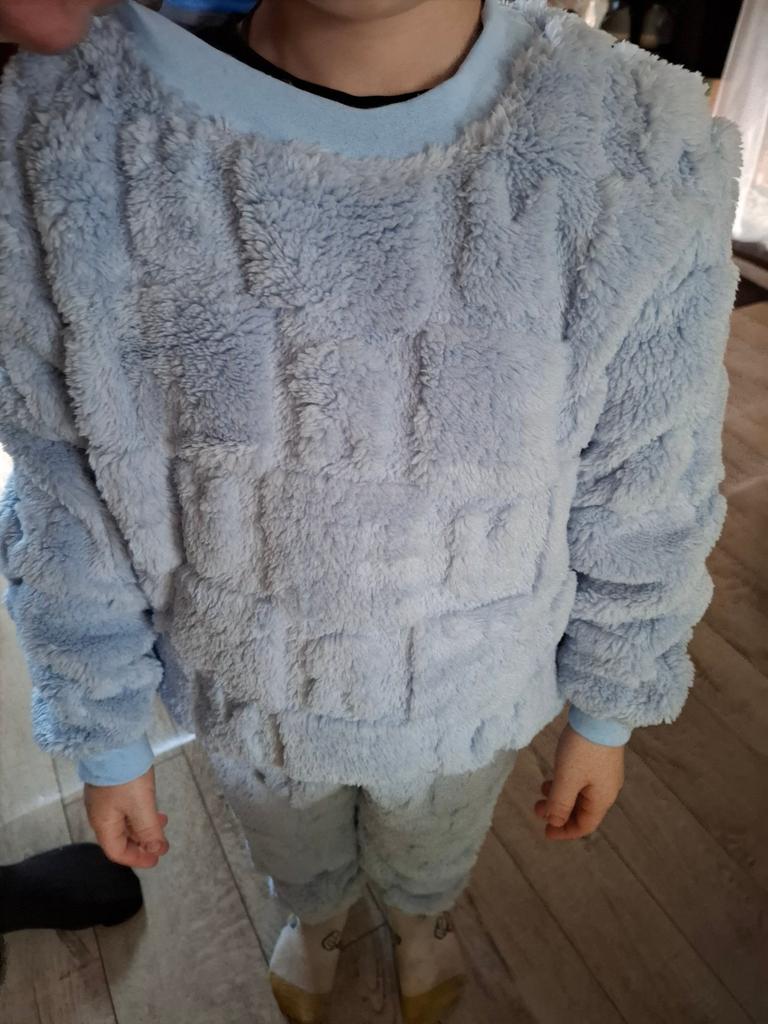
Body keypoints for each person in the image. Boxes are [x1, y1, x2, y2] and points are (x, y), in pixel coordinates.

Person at [0, 1, 741, 1021]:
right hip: (251, 697)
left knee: (436, 839)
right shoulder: (74, 137)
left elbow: (652, 470)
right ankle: (315, 913)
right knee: (291, 843)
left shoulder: (635, 149)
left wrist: (611, 701)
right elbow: (63, 490)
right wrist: (105, 731)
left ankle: (421, 915)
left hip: (470, 694)